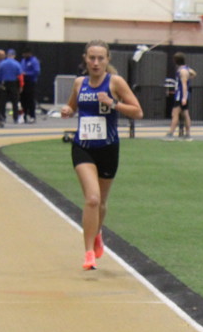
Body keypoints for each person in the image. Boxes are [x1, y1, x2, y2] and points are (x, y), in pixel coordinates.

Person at [60, 40, 143, 271]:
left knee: (102, 203)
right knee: (92, 199)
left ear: (107, 60)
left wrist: (113, 103)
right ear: (85, 59)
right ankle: (88, 253)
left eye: (100, 58)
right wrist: (68, 110)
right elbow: (72, 107)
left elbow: (138, 111)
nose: (96, 63)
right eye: (92, 58)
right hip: (83, 146)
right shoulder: (80, 83)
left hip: (108, 148)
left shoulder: (115, 82)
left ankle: (97, 234)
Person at [164, 52, 194, 141]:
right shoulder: (186, 69)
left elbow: (184, 85)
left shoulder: (183, 71)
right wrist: (189, 77)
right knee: (185, 114)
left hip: (180, 95)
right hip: (181, 95)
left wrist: (184, 97)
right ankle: (188, 134)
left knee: (175, 114)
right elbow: (194, 73)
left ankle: (170, 133)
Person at [0, 48, 23, 127]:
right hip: (13, 84)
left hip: (4, 83)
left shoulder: (2, 64)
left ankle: (2, 117)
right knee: (15, 102)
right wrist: (21, 86)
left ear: (7, 55)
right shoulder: (17, 64)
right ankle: (15, 117)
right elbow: (20, 76)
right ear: (14, 55)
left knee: (2, 102)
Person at [20, 48, 41, 123]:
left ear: (29, 53)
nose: (24, 55)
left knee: (30, 99)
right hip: (23, 82)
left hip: (31, 82)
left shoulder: (34, 61)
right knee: (23, 99)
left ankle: (32, 116)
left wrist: (26, 74)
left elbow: (37, 71)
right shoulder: (23, 60)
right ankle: (24, 115)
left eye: (25, 54)